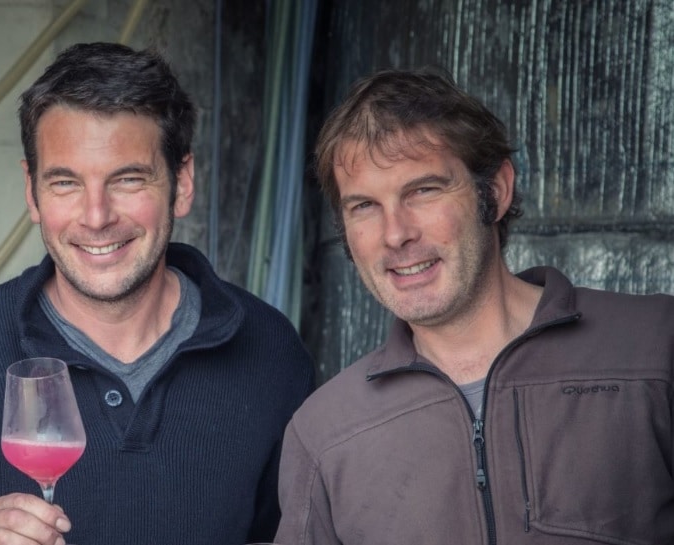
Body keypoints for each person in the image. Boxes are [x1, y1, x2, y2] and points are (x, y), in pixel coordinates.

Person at [0, 42, 315, 545]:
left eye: (128, 179)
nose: (96, 217)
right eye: (65, 183)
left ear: (182, 182)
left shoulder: (272, 352)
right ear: (32, 192)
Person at [275, 67, 674, 545]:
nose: (395, 234)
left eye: (423, 190)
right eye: (364, 206)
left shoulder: (656, 347)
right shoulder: (322, 434)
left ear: (496, 191)